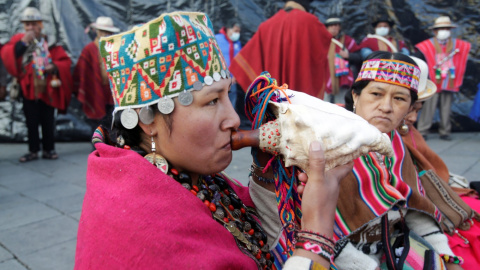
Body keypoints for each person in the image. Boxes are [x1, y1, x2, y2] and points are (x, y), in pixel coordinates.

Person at [75, 11, 352, 269]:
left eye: (227, 95)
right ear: (149, 120)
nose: (233, 119)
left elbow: (257, 242)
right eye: (211, 102)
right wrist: (316, 231)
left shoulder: (192, 174)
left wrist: (266, 175)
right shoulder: (141, 224)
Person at [333, 51, 463, 270]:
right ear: (356, 95)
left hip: (388, 248)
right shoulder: (328, 142)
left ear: (410, 108)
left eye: (400, 98)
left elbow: (414, 208)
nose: (386, 107)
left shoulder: (395, 145)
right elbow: (313, 228)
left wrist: (446, 257)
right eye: (376, 94)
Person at [398, 81, 480, 269]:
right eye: (377, 94)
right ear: (356, 96)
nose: (413, 118)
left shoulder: (406, 133)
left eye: (417, 110)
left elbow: (428, 174)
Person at [1, 7, 72, 162]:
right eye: (27, 25)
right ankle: (33, 150)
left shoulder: (49, 42)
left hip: (47, 90)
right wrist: (23, 42)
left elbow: (65, 61)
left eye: (33, 24)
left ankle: (48, 149)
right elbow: (9, 54)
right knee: (31, 122)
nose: (30, 28)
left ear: (40, 24)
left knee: (48, 121)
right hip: (29, 90)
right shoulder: (19, 41)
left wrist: (54, 67)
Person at [229, 0, 331, 99]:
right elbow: (323, 53)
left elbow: (247, 59)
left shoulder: (266, 26)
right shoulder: (313, 23)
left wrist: (238, 75)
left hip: (275, 103)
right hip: (303, 101)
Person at [415, 16, 471, 141]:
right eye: (441, 29)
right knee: (429, 106)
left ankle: (445, 131)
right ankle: (423, 130)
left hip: (449, 80)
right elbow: (420, 62)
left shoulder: (457, 45)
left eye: (446, 28)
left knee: (446, 107)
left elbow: (464, 53)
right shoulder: (426, 46)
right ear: (435, 31)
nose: (444, 31)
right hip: (433, 80)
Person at [73, 16, 119, 133]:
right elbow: (82, 71)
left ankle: (110, 150)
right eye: (102, 31)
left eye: (108, 32)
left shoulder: (117, 49)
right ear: (97, 31)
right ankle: (97, 149)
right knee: (97, 127)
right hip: (95, 91)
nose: (105, 34)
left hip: (113, 92)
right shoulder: (89, 49)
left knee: (113, 124)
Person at [323, 15, 361, 104]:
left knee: (341, 104)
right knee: (323, 103)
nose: (334, 28)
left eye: (336, 25)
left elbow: (359, 57)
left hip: (342, 77)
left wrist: (348, 55)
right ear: (326, 28)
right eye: (331, 26)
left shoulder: (347, 41)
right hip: (324, 77)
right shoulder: (321, 41)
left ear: (339, 27)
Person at [214, 20, 244, 123]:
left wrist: (235, 76)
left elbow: (239, 60)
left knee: (232, 101)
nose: (237, 34)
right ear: (228, 29)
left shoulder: (237, 43)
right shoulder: (216, 39)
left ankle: (230, 123)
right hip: (219, 79)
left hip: (232, 80)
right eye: (236, 31)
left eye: (239, 31)